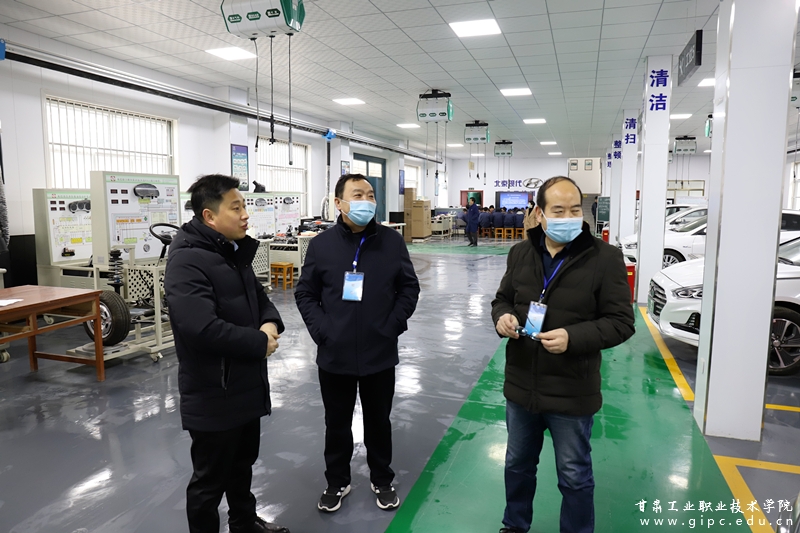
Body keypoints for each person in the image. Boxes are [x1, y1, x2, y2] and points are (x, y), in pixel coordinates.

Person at [491, 176, 635, 533]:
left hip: (572, 390)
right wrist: (502, 318)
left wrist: (573, 337)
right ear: (540, 213)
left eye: (574, 210)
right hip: (522, 385)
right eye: (558, 211)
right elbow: (502, 299)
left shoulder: (605, 258)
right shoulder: (520, 253)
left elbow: (621, 322)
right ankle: (514, 525)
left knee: (574, 475)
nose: (568, 217)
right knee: (517, 465)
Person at [164, 174, 289, 533]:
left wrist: (270, 323)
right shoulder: (187, 261)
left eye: (244, 206)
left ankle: (244, 524)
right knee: (209, 482)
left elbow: (259, 297)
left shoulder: (232, 252)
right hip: (213, 391)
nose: (245, 214)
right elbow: (200, 328)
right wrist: (258, 343)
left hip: (244, 384)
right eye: (236, 208)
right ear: (209, 216)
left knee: (241, 465)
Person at [295, 174, 420, 513]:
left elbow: (409, 288)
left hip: (379, 351)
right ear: (339, 203)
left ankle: (382, 478)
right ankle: (337, 481)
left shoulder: (392, 242)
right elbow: (305, 292)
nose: (366, 201)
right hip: (334, 353)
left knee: (379, 421)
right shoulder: (321, 245)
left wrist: (392, 326)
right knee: (336, 423)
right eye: (358, 195)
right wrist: (323, 331)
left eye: (370, 195)